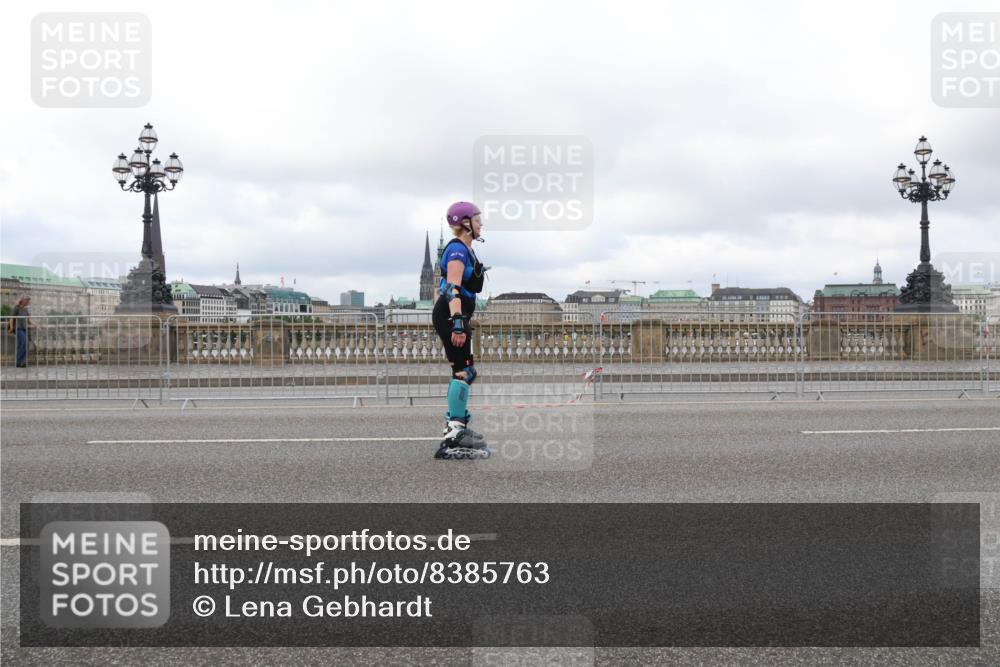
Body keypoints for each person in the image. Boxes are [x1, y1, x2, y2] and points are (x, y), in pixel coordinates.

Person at [432, 202, 490, 460]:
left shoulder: (468, 249)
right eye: (477, 220)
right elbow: (451, 287)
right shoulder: (457, 249)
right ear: (465, 223)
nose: (481, 224)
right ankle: (453, 434)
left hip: (458, 314)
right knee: (462, 371)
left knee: (466, 370)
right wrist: (457, 320)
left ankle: (457, 427)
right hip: (450, 313)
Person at [8, 295, 36, 368]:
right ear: (23, 300)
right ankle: (18, 361)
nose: (28, 302)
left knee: (24, 345)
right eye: (27, 300)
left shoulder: (26, 309)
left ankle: (21, 362)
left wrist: (37, 325)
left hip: (24, 329)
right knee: (24, 343)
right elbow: (11, 318)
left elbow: (29, 320)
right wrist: (11, 328)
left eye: (28, 300)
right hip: (18, 328)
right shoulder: (16, 308)